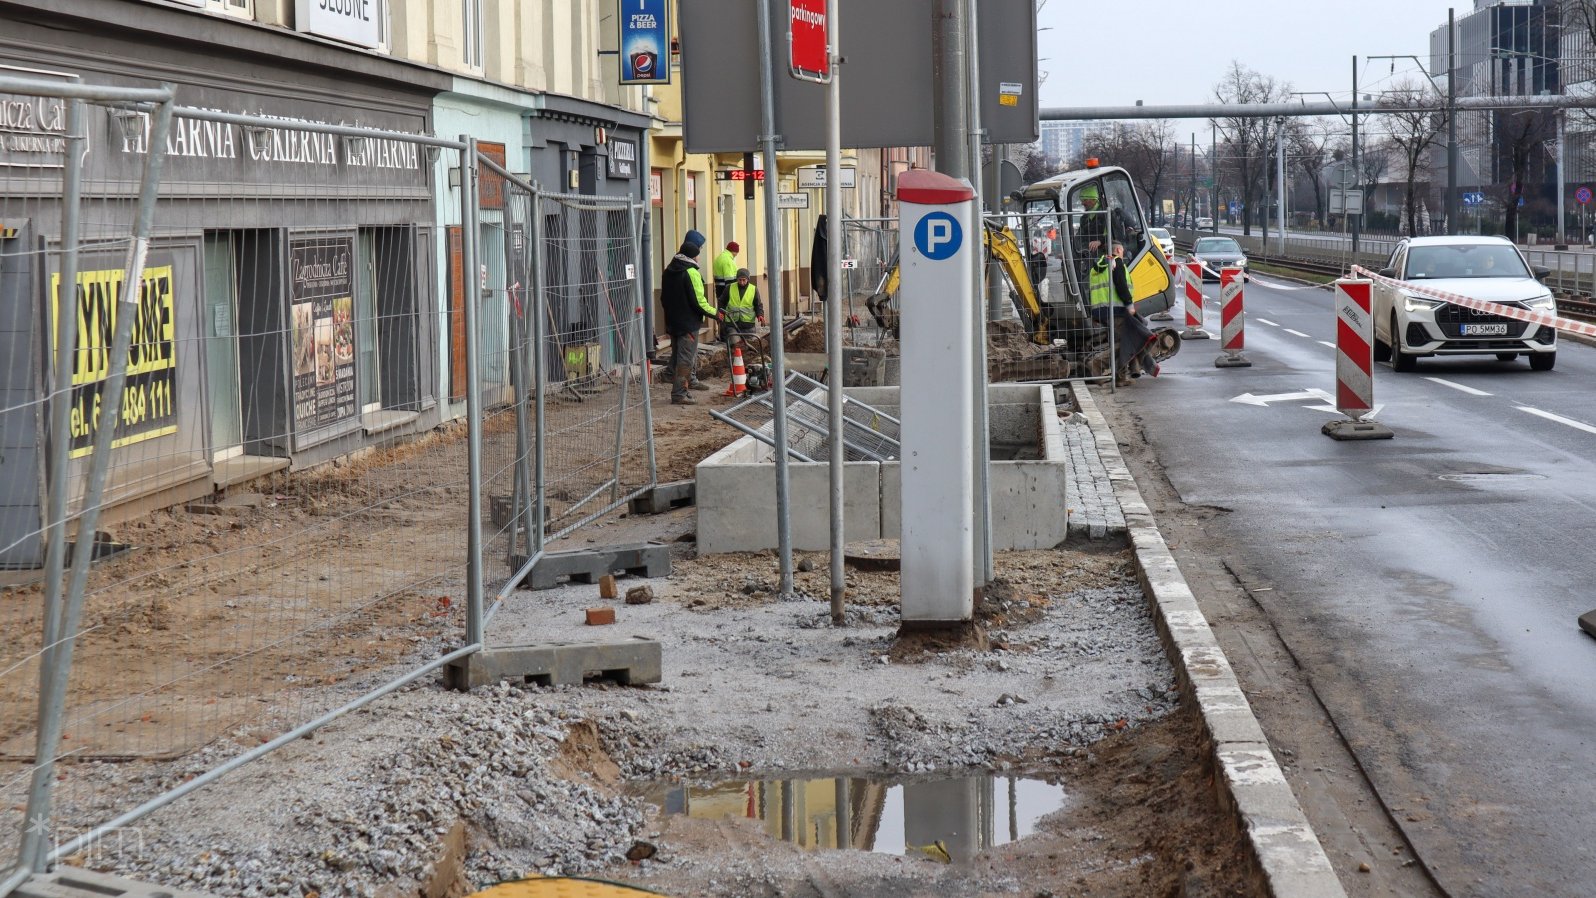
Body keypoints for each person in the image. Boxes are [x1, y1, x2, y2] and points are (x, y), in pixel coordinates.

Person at [660, 240, 725, 405]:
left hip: (673, 322)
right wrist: (716, 314)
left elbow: (663, 299)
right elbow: (699, 301)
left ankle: (676, 383)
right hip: (688, 323)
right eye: (697, 255)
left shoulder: (668, 270)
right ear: (692, 256)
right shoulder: (691, 272)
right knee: (686, 360)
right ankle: (679, 393)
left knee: (677, 356)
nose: (698, 259)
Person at [1087, 242, 1158, 385]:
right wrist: (1129, 305)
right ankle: (1098, 363)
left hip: (1101, 311)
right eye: (1123, 251)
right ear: (1118, 250)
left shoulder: (1098, 266)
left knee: (1121, 342)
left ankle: (1121, 376)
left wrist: (1095, 314)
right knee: (1127, 342)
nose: (1123, 254)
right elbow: (1121, 285)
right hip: (1116, 310)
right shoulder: (1115, 262)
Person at [722, 268, 765, 353]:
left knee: (750, 347)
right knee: (736, 345)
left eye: (744, 280)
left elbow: (758, 305)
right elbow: (721, 301)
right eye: (739, 280)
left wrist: (760, 315)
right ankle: (735, 362)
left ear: (748, 279)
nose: (741, 282)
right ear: (737, 279)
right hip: (732, 323)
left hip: (748, 325)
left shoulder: (753, 289)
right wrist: (720, 313)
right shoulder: (729, 288)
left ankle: (749, 362)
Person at [712, 241, 740, 308]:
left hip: (719, 290)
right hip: (727, 293)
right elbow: (729, 280)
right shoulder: (728, 260)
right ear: (733, 251)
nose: (736, 255)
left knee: (721, 312)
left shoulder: (719, 258)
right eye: (737, 252)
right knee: (728, 314)